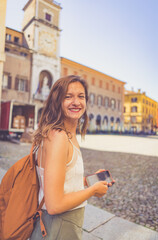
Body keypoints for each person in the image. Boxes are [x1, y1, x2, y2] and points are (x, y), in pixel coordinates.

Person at [30, 75, 110, 240]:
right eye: (68, 96)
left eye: (81, 96)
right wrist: (92, 190)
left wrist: (88, 182)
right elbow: (54, 205)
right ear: (57, 101)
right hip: (58, 227)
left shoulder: (60, 134)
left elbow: (58, 183)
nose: (76, 102)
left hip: (60, 225)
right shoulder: (59, 137)